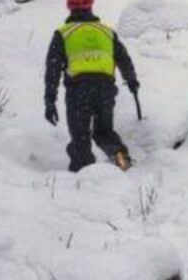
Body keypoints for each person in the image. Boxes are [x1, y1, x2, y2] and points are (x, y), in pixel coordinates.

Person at [43, 0, 139, 172]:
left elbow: (53, 69)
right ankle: (123, 163)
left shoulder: (63, 34)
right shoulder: (107, 32)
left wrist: (50, 100)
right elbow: (124, 60)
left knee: (80, 138)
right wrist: (132, 82)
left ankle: (84, 181)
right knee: (104, 132)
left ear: (69, 7)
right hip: (105, 90)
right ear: (91, 6)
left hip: (78, 91)